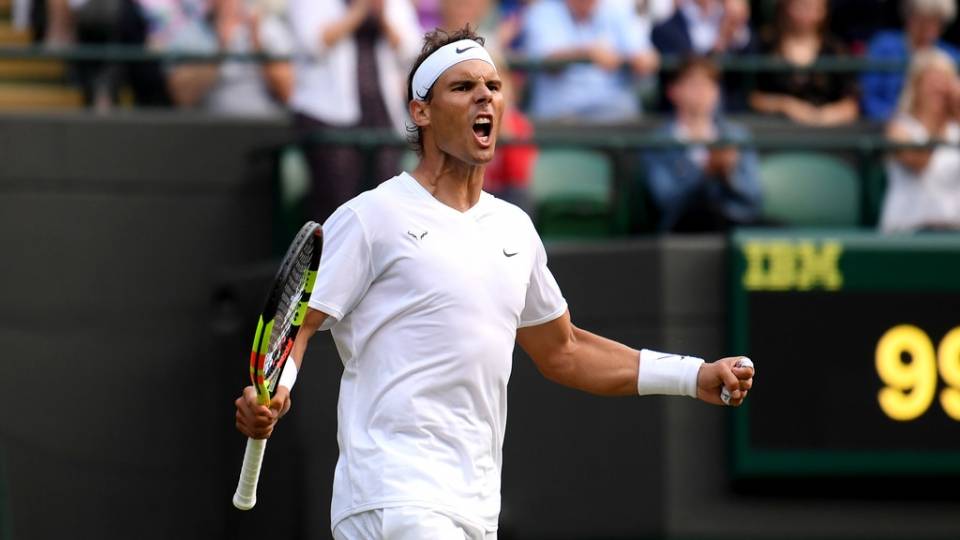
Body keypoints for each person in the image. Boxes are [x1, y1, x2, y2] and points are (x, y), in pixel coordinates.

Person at [234, 27, 755, 538]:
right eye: (462, 87)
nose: (484, 95)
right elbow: (296, 324)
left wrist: (692, 376)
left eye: (494, 86)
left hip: (475, 506)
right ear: (421, 111)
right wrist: (275, 391)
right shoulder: (373, 216)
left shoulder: (514, 229)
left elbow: (565, 351)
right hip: (396, 494)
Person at [287, 0, 422, 221]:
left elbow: (412, 50)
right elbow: (311, 43)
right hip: (325, 115)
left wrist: (381, 17)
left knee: (389, 201)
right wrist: (359, 11)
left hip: (382, 113)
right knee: (337, 203)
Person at [644, 56, 763, 232]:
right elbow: (666, 201)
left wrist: (728, 176)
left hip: (736, 222)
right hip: (686, 229)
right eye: (694, 84)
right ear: (673, 91)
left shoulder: (736, 135)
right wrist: (706, 173)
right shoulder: (658, 143)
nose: (702, 92)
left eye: (709, 85)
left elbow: (754, 197)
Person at [522, 0, 659, 122]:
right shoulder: (542, 12)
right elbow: (548, 63)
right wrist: (586, 53)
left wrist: (635, 59)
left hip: (616, 113)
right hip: (561, 116)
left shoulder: (617, 9)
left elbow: (646, 57)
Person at [165, 0, 294, 115]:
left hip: (267, 128)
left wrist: (258, 43)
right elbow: (183, 98)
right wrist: (222, 45)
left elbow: (287, 93)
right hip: (211, 132)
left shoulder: (269, 29)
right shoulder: (190, 35)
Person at [880, 48, 960, 232]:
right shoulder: (899, 127)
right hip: (908, 230)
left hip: (954, 230)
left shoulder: (956, 128)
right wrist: (935, 120)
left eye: (944, 80)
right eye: (932, 80)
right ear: (916, 85)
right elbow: (919, 161)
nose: (938, 88)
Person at [749, 0, 859, 126]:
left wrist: (821, 117)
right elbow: (750, 96)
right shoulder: (764, 45)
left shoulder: (835, 50)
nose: (805, 11)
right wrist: (785, 105)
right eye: (800, 5)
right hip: (775, 132)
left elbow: (851, 103)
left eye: (812, 6)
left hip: (827, 135)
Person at [862, 0, 960, 121]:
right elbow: (868, 97)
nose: (928, 28)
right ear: (909, 17)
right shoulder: (884, 46)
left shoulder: (951, 56)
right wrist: (898, 122)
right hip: (887, 127)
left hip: (937, 129)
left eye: (935, 21)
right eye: (922, 20)